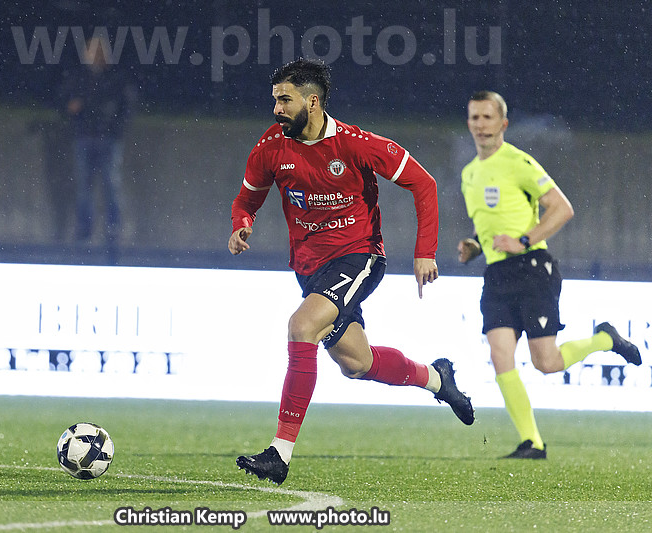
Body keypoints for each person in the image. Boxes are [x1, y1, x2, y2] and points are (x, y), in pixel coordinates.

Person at [228, 58, 474, 485]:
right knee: (357, 363)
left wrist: (425, 252)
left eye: (285, 100)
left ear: (313, 101)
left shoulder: (356, 144)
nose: (277, 109)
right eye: (275, 100)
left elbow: (424, 183)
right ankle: (438, 379)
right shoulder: (271, 146)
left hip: (359, 257)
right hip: (309, 268)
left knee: (301, 326)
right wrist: (241, 224)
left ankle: (279, 453)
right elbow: (246, 199)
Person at [457, 90, 642, 459]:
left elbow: (562, 208)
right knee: (500, 356)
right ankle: (533, 442)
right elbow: (491, 222)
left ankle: (604, 339)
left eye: (488, 117)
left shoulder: (518, 162)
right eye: (475, 117)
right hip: (496, 274)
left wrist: (524, 240)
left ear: (503, 124)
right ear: (469, 122)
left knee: (547, 363)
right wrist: (475, 245)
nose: (481, 125)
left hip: (532, 270)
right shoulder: (469, 173)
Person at [60, 35, 134, 243]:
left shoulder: (115, 78)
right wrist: (73, 111)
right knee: (85, 186)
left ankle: (113, 228)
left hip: (108, 138)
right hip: (85, 137)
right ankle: (85, 230)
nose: (96, 55)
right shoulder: (79, 77)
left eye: (100, 51)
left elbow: (125, 107)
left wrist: (114, 129)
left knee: (111, 184)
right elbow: (65, 101)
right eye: (93, 51)